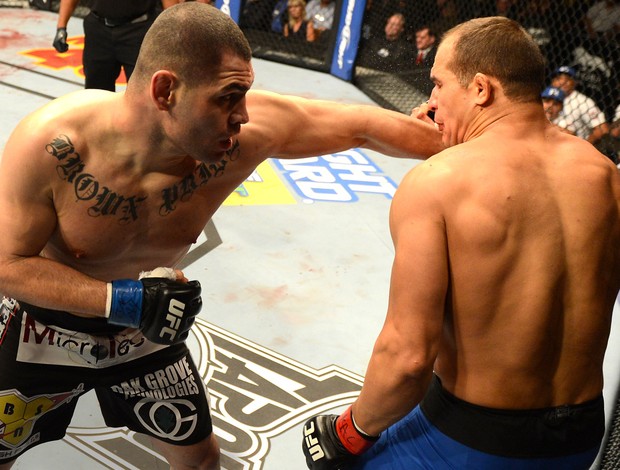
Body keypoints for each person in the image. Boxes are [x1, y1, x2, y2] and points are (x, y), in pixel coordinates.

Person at [0, 3, 443, 469]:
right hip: (44, 328)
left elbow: (361, 128)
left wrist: (452, 139)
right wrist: (121, 300)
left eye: (245, 95)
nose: (243, 116)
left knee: (200, 462)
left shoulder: (238, 141)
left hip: (145, 331)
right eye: (227, 97)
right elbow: (7, 265)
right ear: (165, 89)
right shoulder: (55, 146)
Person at [302, 15, 620, 470]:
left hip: (474, 445)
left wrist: (347, 433)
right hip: (582, 437)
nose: (430, 102)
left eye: (437, 84)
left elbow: (408, 359)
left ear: (480, 89)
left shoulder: (438, 183)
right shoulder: (605, 175)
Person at [52, 0, 177, 91]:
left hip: (139, 29)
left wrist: (175, 34)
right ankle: (100, 127)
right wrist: (61, 27)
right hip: (98, 29)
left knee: (144, 91)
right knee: (96, 91)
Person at [551, 65, 610, 145]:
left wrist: (584, 147)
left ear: (575, 82)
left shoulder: (583, 101)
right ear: (552, 81)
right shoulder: (546, 98)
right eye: (558, 79)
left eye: (567, 79)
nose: (562, 82)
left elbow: (602, 129)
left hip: (573, 147)